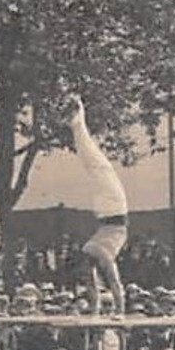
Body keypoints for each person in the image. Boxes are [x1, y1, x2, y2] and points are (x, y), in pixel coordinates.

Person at [68, 101, 129, 314]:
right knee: (96, 165)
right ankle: (79, 123)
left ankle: (78, 123)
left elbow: (111, 284)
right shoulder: (100, 256)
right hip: (115, 210)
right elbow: (109, 283)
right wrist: (113, 311)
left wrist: (115, 311)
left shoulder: (94, 253)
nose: (87, 277)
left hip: (108, 211)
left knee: (95, 165)